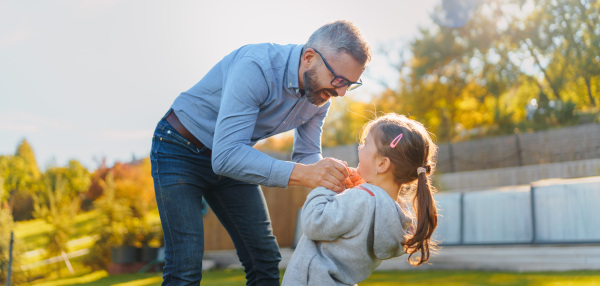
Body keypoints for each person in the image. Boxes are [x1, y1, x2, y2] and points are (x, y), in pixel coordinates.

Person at [150, 20, 372, 285]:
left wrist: (331, 178)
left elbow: (306, 155)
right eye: (338, 79)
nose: (342, 92)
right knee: (185, 266)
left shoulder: (319, 96)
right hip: (180, 148)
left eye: (350, 84)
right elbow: (226, 156)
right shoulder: (256, 67)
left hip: (234, 156)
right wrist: (306, 174)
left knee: (264, 258)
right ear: (310, 57)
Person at [282, 113, 439, 286]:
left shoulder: (362, 199)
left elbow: (314, 222)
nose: (359, 147)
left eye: (365, 143)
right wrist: (348, 191)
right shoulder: (389, 211)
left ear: (382, 164)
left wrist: (328, 184)